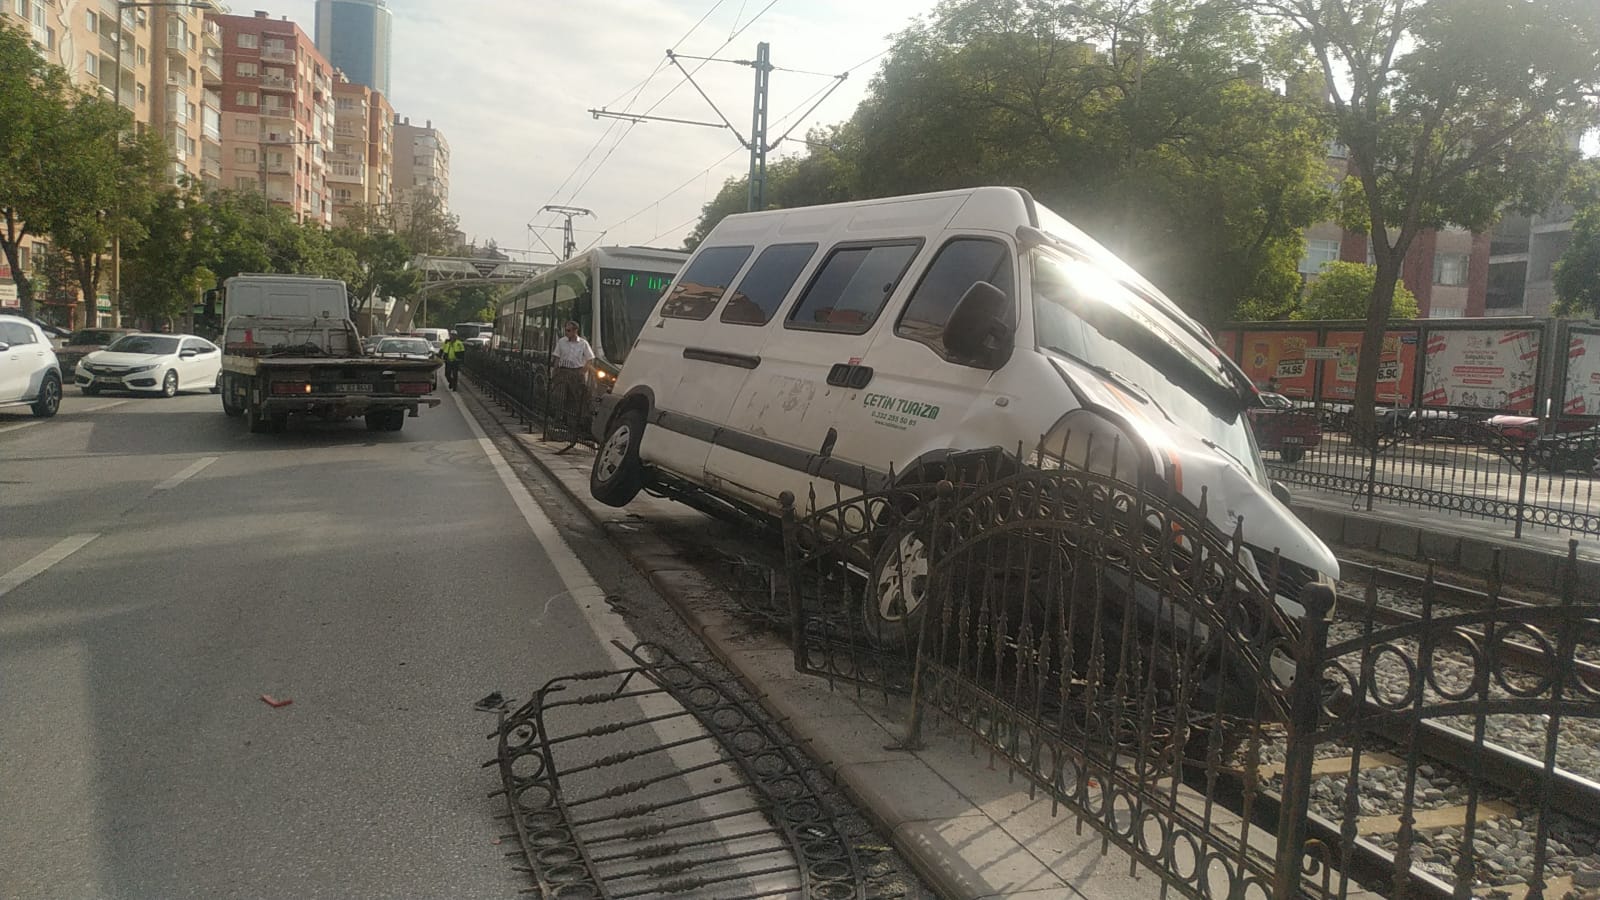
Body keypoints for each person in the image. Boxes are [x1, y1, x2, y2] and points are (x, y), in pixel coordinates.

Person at [551, 320, 595, 440]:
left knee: (575, 398)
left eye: (569, 330)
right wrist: (555, 372)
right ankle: (557, 421)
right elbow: (557, 357)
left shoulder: (583, 343)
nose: (567, 332)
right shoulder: (561, 342)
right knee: (560, 396)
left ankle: (572, 425)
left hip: (576, 371)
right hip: (563, 370)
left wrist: (582, 372)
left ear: (576, 331)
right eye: (566, 330)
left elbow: (590, 359)